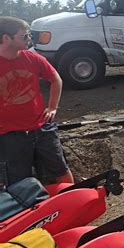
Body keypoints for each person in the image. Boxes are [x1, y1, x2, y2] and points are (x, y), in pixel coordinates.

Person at [0, 16, 73, 190]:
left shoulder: (32, 58)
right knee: (18, 181)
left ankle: (74, 204)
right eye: (24, 36)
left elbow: (56, 79)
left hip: (42, 128)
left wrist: (53, 107)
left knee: (60, 170)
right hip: (10, 135)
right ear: (6, 38)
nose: (29, 39)